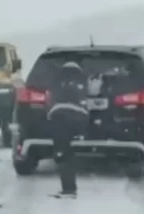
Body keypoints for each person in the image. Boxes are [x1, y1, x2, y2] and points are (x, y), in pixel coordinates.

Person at [47, 61, 89, 198]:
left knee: (62, 153)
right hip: (78, 120)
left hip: (59, 119)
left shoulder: (56, 84)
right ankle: (70, 187)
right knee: (67, 154)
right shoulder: (83, 84)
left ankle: (68, 188)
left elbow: (50, 100)